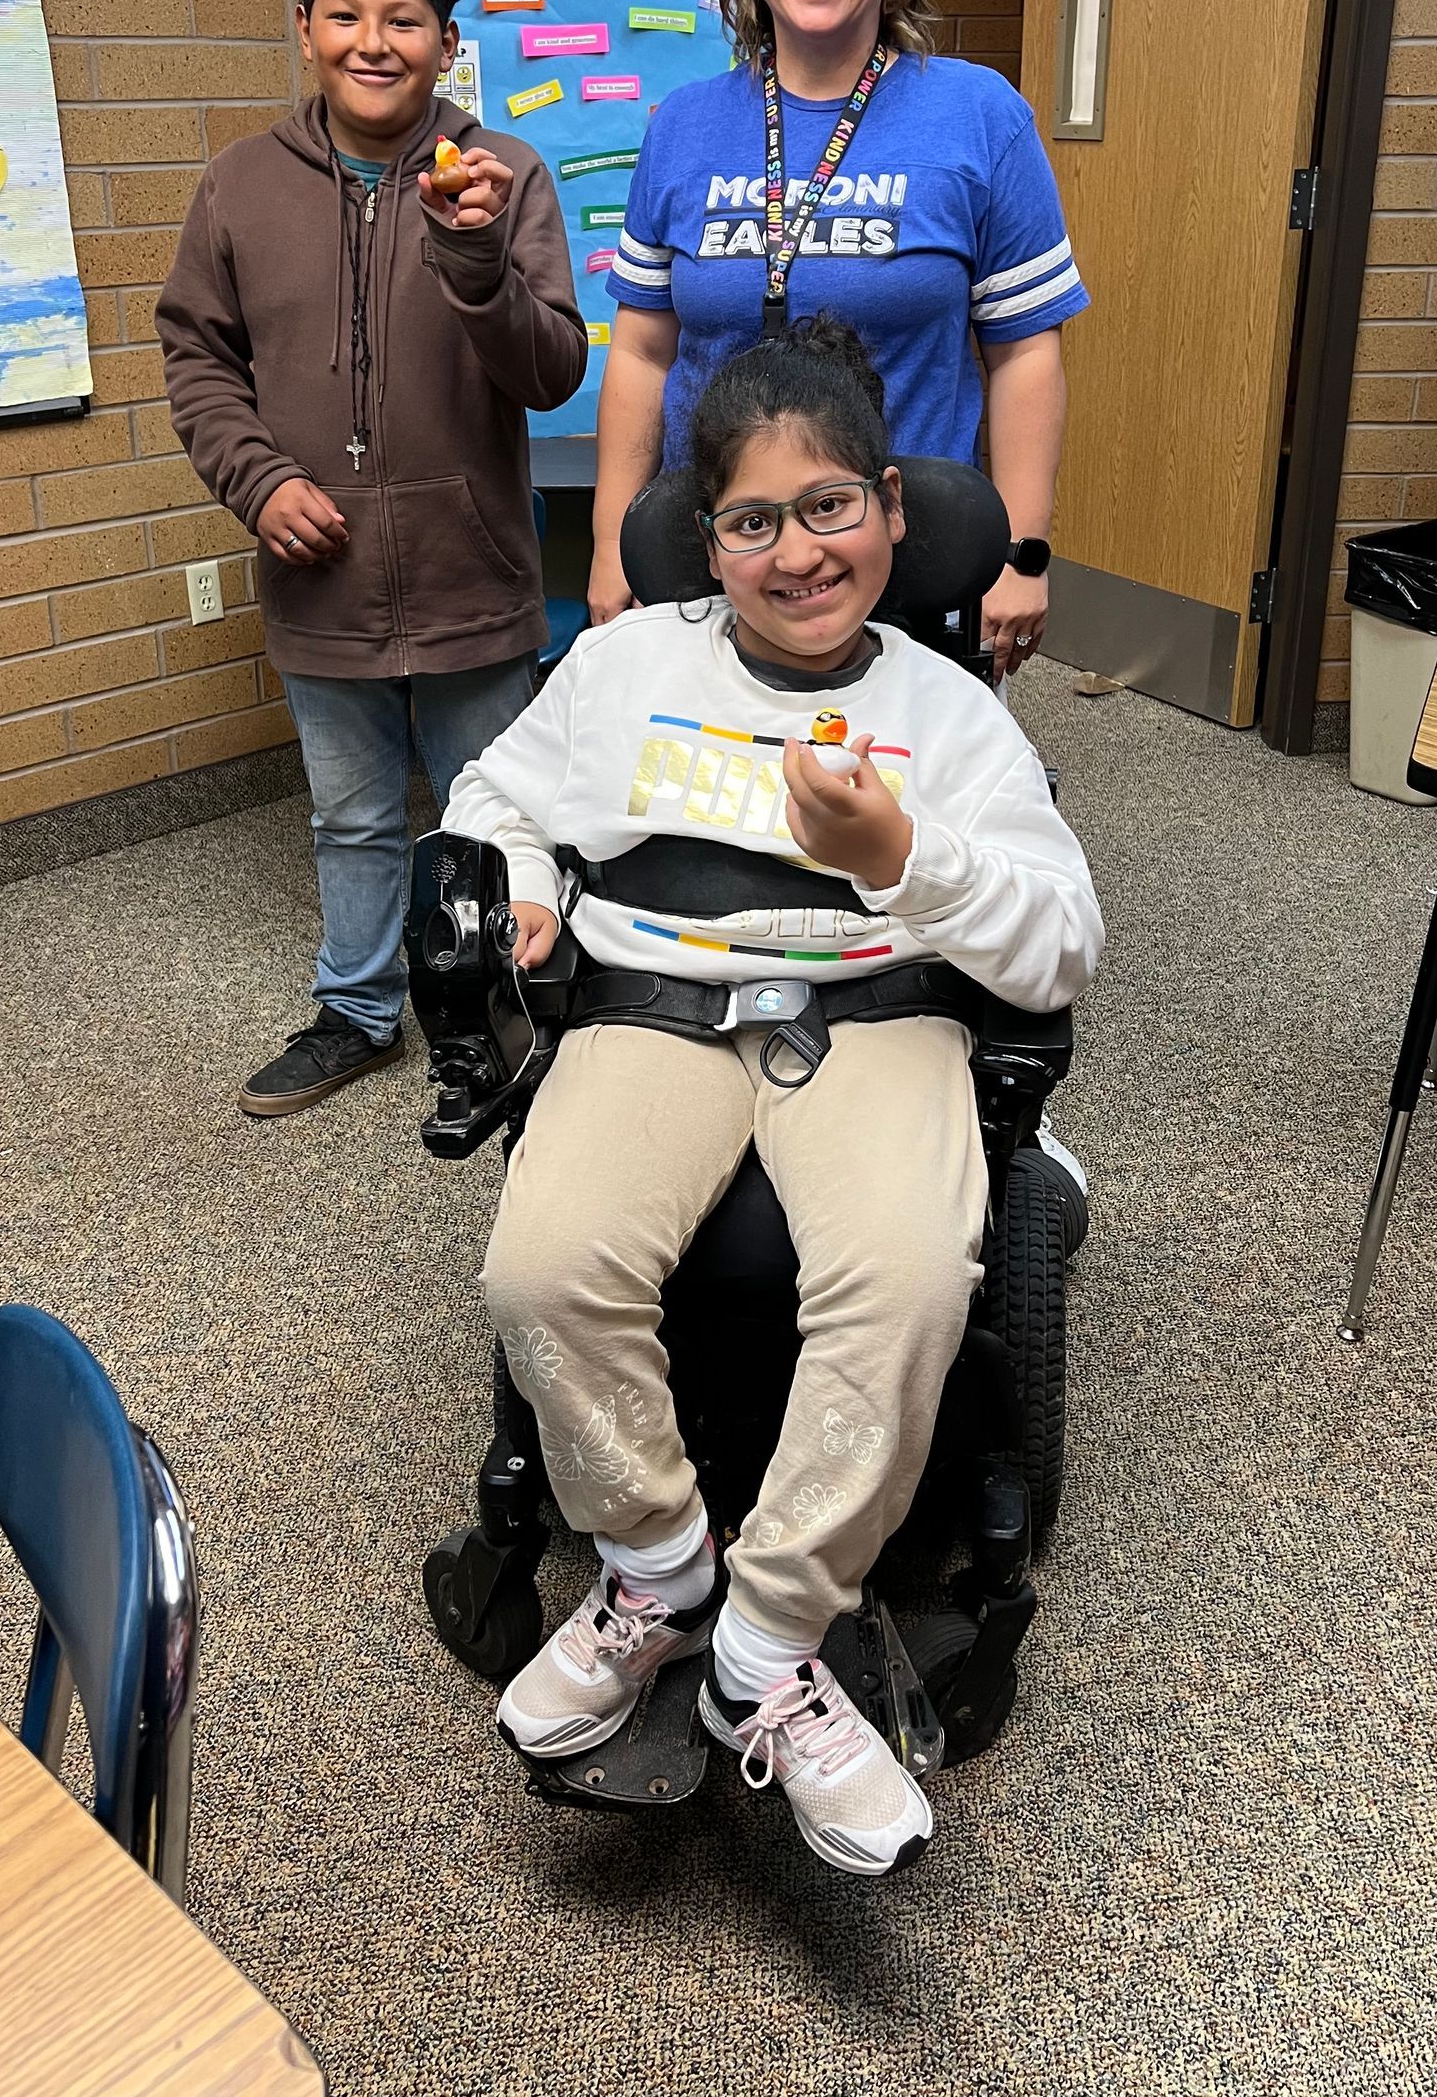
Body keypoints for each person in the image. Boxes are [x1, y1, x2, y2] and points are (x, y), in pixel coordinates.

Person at [442, 316, 1102, 1876]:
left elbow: (1063, 936)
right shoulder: (622, 669)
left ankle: (774, 1642)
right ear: (705, 535)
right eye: (752, 520)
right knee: (539, 1267)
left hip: (876, 1009)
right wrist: (526, 886)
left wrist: (904, 860)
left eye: (831, 509)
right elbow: (491, 800)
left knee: (903, 1284)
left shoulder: (949, 715)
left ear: (887, 504)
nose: (797, 553)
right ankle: (662, 1570)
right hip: (653, 1001)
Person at [160, 0, 587, 1118]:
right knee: (351, 815)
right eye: (345, 15)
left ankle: (508, 1000)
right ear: (305, 29)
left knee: (494, 811)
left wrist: (474, 262)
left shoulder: (500, 176)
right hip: (320, 576)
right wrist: (258, 479)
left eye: (404, 20)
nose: (374, 40)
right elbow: (198, 359)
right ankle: (356, 1011)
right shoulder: (240, 186)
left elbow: (551, 369)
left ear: (448, 43)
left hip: (469, 566)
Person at [590, 0, 1088, 682]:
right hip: (719, 568)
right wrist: (608, 547)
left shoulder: (980, 119)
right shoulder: (684, 127)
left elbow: (1024, 356)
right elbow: (641, 354)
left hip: (909, 564)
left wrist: (1022, 551)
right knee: (718, 808)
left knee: (905, 812)